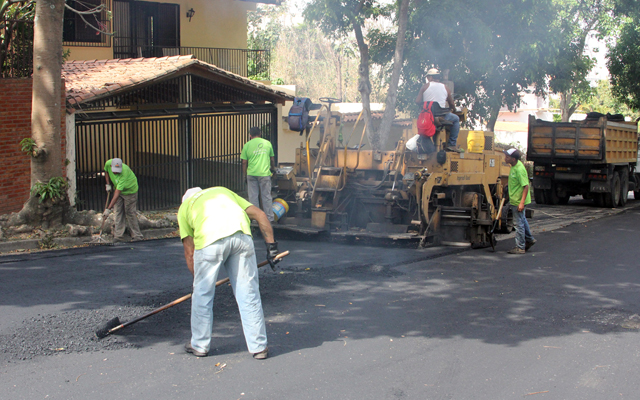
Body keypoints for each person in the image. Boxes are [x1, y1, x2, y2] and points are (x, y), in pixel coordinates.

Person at [178, 186, 279, 359]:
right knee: (249, 294)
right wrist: (272, 248)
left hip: (210, 242)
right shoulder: (223, 191)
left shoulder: (185, 207)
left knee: (202, 296)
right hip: (242, 238)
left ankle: (200, 345)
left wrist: (200, 281)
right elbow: (260, 215)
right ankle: (259, 347)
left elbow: (189, 252)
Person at [415, 68, 460, 151]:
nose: (427, 79)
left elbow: (417, 101)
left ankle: (431, 148)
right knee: (456, 119)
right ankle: (452, 144)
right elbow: (451, 103)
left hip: (428, 118)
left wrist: (425, 105)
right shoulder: (445, 88)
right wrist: (453, 109)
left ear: (431, 77)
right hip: (443, 117)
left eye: (428, 77)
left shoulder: (425, 87)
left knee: (433, 126)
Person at [504, 148, 536, 254]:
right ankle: (530, 239)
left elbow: (526, 186)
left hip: (518, 201)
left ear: (513, 159)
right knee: (522, 220)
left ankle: (520, 246)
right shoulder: (513, 166)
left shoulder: (519, 169)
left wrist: (521, 202)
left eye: (507, 157)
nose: (505, 158)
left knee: (518, 224)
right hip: (515, 199)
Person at [104, 158, 143, 242]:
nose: (116, 172)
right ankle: (118, 236)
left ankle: (137, 235)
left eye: (118, 170)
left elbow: (117, 194)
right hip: (118, 189)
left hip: (130, 191)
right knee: (118, 212)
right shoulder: (108, 163)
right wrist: (107, 184)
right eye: (114, 170)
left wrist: (108, 209)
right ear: (111, 166)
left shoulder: (124, 173)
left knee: (130, 212)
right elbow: (106, 171)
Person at [241, 127, 276, 222]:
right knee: (266, 196)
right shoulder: (267, 143)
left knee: (253, 197)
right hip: (264, 174)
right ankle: (269, 218)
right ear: (260, 134)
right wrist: (273, 168)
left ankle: (256, 219)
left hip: (251, 174)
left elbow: (244, 162)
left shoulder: (247, 145)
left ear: (250, 135)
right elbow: (272, 159)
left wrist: (245, 175)